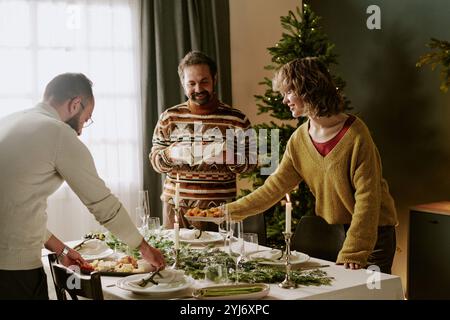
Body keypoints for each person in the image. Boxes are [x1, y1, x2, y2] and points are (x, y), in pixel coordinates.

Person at [223, 57, 398, 274]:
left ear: (308, 89)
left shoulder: (356, 135)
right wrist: (226, 212)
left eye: (288, 92)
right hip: (336, 232)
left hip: (372, 235)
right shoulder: (299, 140)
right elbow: (273, 189)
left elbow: (368, 198)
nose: (284, 100)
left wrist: (354, 250)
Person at [0, 73, 165, 300]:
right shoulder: (58, 133)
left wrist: (63, 249)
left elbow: (15, 208)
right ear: (75, 104)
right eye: (85, 119)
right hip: (12, 272)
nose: (80, 130)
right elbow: (103, 205)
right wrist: (145, 248)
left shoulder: (9, 121)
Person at [150, 51, 257, 229]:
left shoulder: (237, 120)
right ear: (183, 84)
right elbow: (155, 162)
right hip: (175, 208)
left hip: (220, 209)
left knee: (219, 257)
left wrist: (230, 157)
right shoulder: (169, 117)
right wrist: (169, 154)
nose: (198, 89)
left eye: (204, 82)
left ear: (214, 79)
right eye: (191, 83)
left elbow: (252, 162)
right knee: (175, 256)